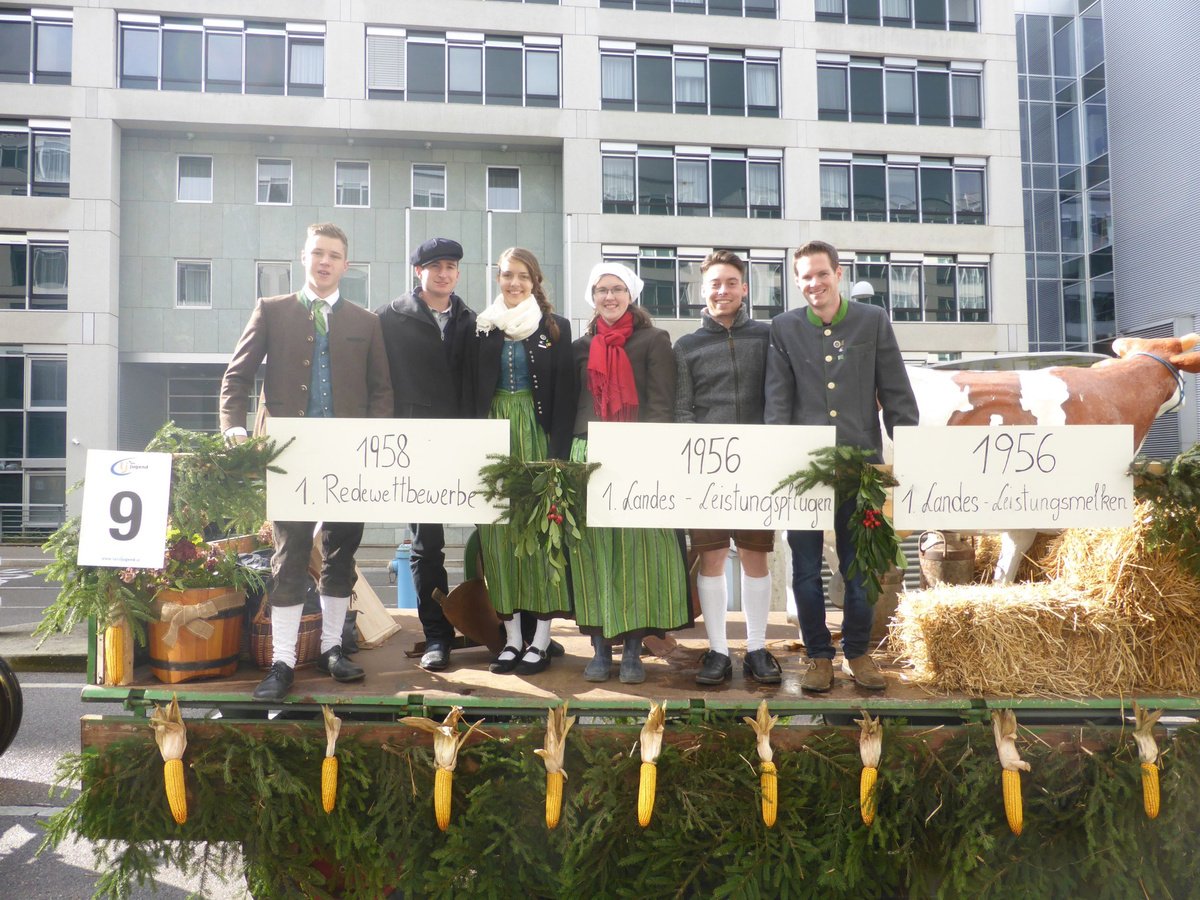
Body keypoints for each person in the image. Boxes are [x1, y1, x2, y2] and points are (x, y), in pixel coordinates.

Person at [220, 223, 393, 701]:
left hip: (348, 454)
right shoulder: (271, 310)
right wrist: (234, 427)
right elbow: (237, 376)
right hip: (288, 453)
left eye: (334, 255)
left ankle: (332, 648)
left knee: (341, 550)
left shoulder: (366, 322)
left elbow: (381, 391)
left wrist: (374, 442)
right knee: (289, 553)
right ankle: (283, 660)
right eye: (318, 253)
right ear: (304, 257)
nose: (325, 262)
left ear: (345, 265)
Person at [764, 240, 918, 692]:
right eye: (805, 277)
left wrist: (911, 451)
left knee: (861, 567)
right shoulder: (783, 327)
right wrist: (778, 459)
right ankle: (817, 655)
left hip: (862, 468)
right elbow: (777, 401)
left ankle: (857, 652)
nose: (814, 283)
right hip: (805, 471)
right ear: (797, 282)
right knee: (806, 570)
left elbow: (896, 391)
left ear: (838, 273)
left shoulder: (873, 320)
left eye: (822, 274)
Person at [571, 262, 690, 684]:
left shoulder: (654, 340)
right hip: (589, 453)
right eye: (602, 290)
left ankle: (635, 650)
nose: (610, 296)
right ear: (593, 297)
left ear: (630, 295)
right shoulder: (581, 346)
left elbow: (661, 403)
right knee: (594, 553)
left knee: (638, 554)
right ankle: (600, 648)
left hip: (637, 452)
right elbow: (573, 404)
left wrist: (649, 453)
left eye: (617, 289)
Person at [674, 250, 780, 686]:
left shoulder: (769, 337)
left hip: (759, 465)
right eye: (715, 284)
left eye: (731, 282)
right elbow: (682, 410)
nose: (723, 290)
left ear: (744, 288)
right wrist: (698, 458)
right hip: (707, 470)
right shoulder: (686, 346)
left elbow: (779, 396)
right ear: (703, 290)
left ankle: (756, 648)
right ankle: (717, 650)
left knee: (756, 556)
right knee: (712, 557)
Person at [471, 247, 575, 675]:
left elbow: (566, 395)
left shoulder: (555, 327)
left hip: (535, 432)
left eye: (522, 276)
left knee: (542, 530)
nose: (514, 283)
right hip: (494, 434)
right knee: (497, 535)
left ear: (535, 281)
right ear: (498, 278)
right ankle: (512, 638)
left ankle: (542, 639)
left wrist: (557, 456)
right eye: (507, 275)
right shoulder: (483, 326)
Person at [374, 238, 476, 672]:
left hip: (467, 440)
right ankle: (437, 635)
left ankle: (505, 627)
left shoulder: (473, 320)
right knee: (425, 544)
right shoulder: (388, 318)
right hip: (415, 442)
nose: (444, 273)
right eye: (435, 266)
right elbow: (378, 380)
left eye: (450, 266)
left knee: (492, 537)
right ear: (419, 272)